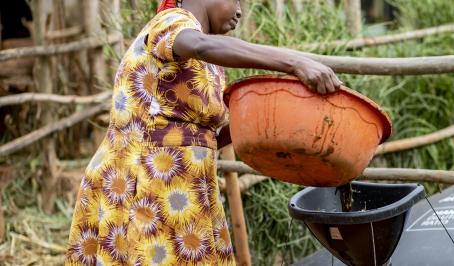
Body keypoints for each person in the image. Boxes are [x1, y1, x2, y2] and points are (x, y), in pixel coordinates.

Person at [65, 0, 341, 265]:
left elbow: (204, 137)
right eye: (236, 0)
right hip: (144, 181)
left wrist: (273, 109)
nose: (240, 12)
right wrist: (295, 61)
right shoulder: (172, 23)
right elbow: (201, 44)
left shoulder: (209, 66)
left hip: (187, 185)